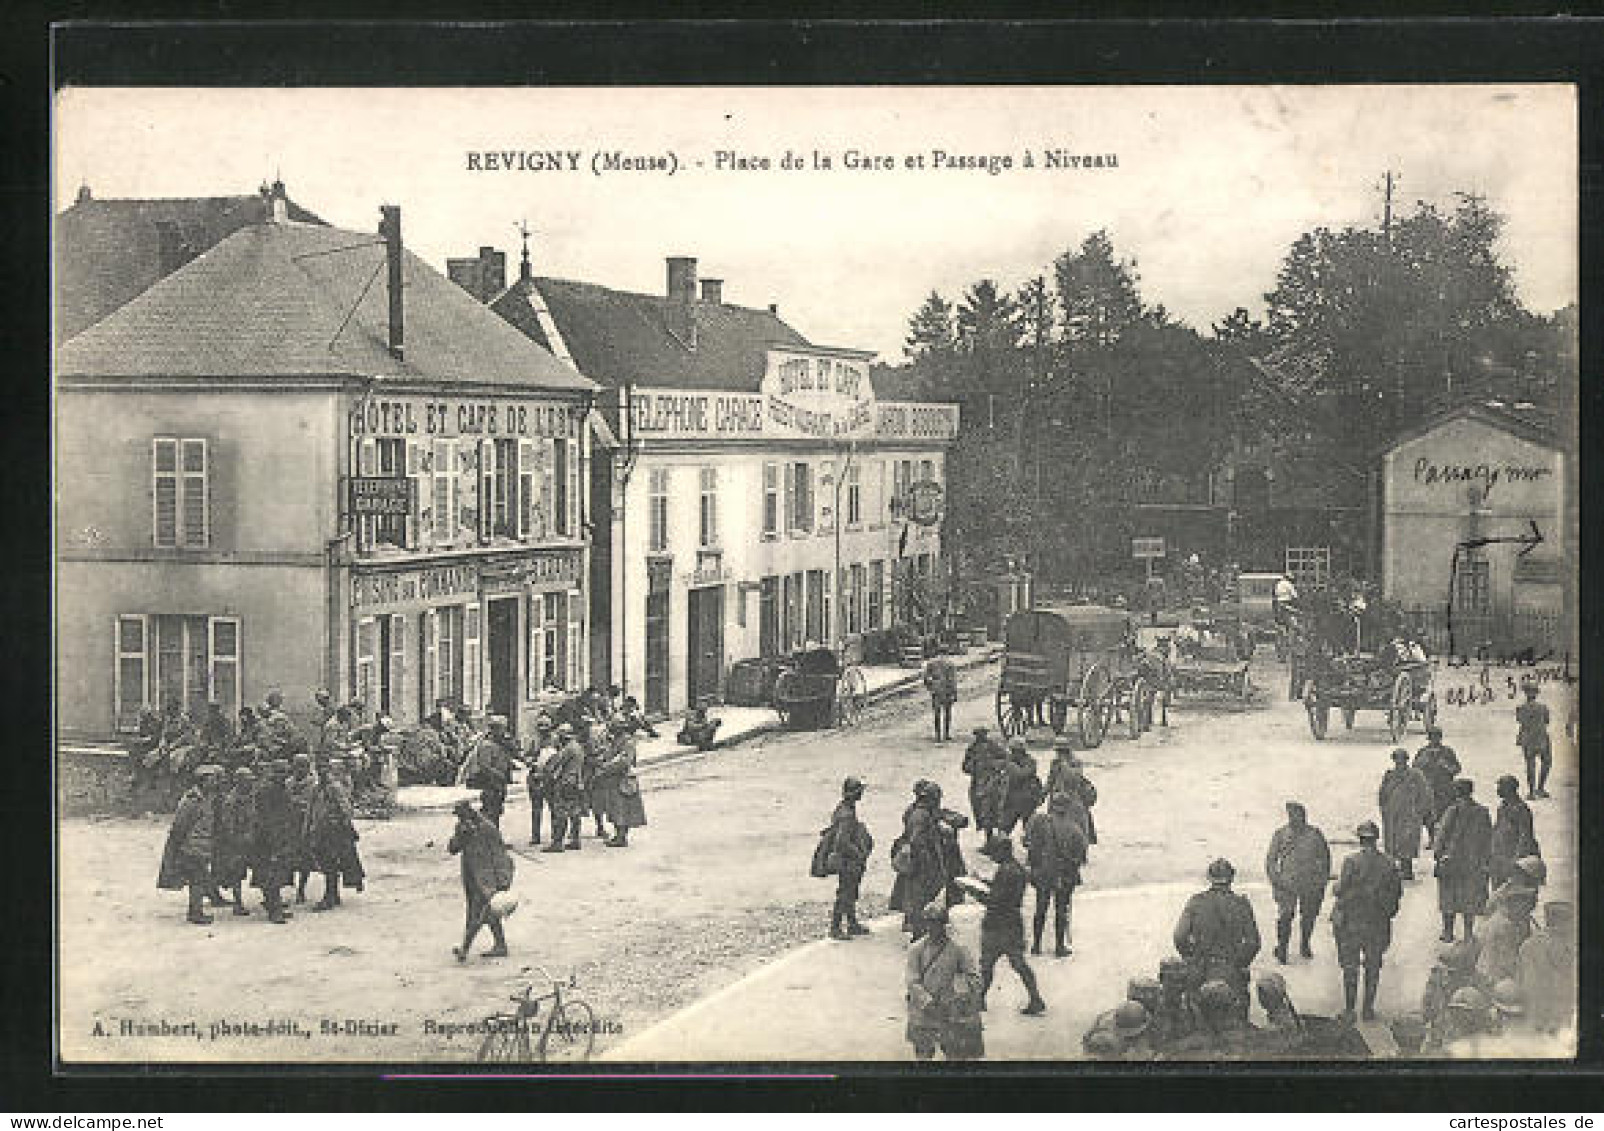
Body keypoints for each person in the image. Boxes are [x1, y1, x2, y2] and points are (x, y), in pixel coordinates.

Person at [1330, 820, 1403, 1023]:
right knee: (1373, 966)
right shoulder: (1389, 863)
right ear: (1376, 839)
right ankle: (1368, 1009)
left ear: (1360, 839)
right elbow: (1397, 893)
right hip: (1377, 923)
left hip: (1352, 923)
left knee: (1350, 967)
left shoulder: (1351, 862)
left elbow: (1341, 889)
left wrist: (1335, 888)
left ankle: (1350, 1010)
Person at [1173, 858, 1261, 1019]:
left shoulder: (1196, 901)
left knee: (1196, 1016)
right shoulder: (1241, 904)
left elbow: (1179, 937)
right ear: (1232, 878)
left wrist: (1191, 957)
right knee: (1235, 1018)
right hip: (1230, 970)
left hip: (1200, 969)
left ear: (1209, 877)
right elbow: (1253, 942)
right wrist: (1239, 963)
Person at [974, 835, 1047, 1016]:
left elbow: (995, 900)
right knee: (1018, 964)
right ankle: (1035, 997)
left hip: (997, 924)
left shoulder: (1006, 871)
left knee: (987, 965)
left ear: (1003, 851)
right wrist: (985, 883)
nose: (992, 857)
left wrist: (976, 892)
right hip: (1012, 923)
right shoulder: (1015, 869)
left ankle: (979, 999)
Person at [889, 781, 969, 940]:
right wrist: (927, 860)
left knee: (919, 895)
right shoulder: (921, 815)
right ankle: (918, 932)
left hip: (923, 863)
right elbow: (917, 840)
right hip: (921, 865)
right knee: (919, 898)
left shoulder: (925, 812)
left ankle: (918, 926)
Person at [904, 901, 984, 1061]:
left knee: (956, 1054)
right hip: (924, 1012)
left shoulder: (958, 949)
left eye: (936, 923)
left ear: (944, 924)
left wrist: (960, 996)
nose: (932, 928)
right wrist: (927, 1001)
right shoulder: (916, 949)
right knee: (923, 1055)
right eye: (929, 923)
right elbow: (912, 981)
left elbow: (975, 978)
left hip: (951, 1012)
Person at [449, 799, 516, 963]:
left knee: (478, 914)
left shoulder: (488, 828)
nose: (460, 820)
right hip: (471, 876)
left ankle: (464, 949)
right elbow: (452, 849)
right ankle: (500, 945)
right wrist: (461, 836)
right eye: (459, 817)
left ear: (470, 812)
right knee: (486, 912)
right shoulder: (462, 828)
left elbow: (500, 856)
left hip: (488, 879)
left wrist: (502, 881)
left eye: (463, 816)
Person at [157, 764, 226, 925]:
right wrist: (177, 848)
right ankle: (195, 913)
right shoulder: (192, 801)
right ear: (202, 781)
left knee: (199, 879)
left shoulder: (208, 799)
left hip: (202, 847)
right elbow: (179, 827)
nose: (214, 782)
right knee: (197, 880)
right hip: (191, 848)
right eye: (211, 780)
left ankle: (198, 910)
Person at [1022, 791, 1089, 957]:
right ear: (1067, 808)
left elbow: (1027, 843)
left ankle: (1036, 946)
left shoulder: (1039, 822)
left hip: (1043, 874)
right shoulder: (1075, 829)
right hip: (1064, 876)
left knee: (1040, 909)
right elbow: (1081, 856)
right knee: (1061, 910)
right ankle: (1059, 947)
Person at [1265, 801, 1332, 964]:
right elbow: (1271, 860)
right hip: (1286, 884)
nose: (1295, 819)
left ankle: (1305, 943)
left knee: (1308, 916)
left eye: (1298, 815)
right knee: (1285, 916)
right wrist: (1276, 880)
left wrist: (1321, 880)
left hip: (1310, 883)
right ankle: (1282, 948)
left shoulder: (1315, 834)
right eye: (1292, 815)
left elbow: (1325, 858)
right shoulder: (1280, 834)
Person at [1434, 778, 1493, 942]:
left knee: (1448, 897)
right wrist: (1485, 860)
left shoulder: (1452, 810)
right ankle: (1468, 933)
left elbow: (1442, 835)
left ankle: (1448, 932)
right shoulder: (1482, 811)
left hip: (1452, 861)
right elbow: (1488, 837)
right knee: (1469, 898)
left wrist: (1438, 855)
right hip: (1473, 862)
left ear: (1456, 792)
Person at [305, 758, 361, 911]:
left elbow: (346, 809)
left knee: (330, 864)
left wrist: (339, 823)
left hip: (333, 832)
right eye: (318, 768)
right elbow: (310, 811)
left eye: (324, 769)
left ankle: (329, 897)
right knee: (325, 863)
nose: (321, 772)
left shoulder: (335, 788)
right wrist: (306, 829)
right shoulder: (315, 789)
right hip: (319, 831)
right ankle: (333, 894)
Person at [824, 776, 874, 940]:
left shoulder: (845, 808)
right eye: (859, 791)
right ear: (853, 793)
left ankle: (852, 924)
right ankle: (836, 928)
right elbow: (842, 842)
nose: (862, 794)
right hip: (848, 861)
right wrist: (858, 853)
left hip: (847, 860)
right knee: (846, 893)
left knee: (850, 891)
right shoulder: (847, 814)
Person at [250, 760, 298, 924]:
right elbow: (265, 817)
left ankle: (274, 905)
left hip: (279, 836)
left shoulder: (280, 789)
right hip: (267, 838)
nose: (285, 776)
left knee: (277, 874)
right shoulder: (266, 790)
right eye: (281, 772)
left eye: (285, 772)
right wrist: (273, 838)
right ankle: (274, 910)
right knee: (270, 875)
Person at [1518, 901, 1575, 1035]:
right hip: (1555, 1006)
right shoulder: (1561, 945)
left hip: (1530, 1003)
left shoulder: (1527, 944)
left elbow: (1520, 975)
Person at [1379, 747, 1432, 879]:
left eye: (1402, 760)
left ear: (1406, 761)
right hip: (1392, 816)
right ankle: (1393, 870)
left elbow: (1425, 794)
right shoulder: (1390, 775)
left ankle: (1407, 870)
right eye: (1397, 760)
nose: (1399, 763)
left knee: (1407, 843)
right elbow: (1383, 794)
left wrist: (1419, 812)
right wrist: (1385, 810)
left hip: (1409, 815)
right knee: (1392, 842)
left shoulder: (1416, 775)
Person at [212, 766, 258, 917]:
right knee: (236, 873)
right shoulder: (231, 800)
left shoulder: (250, 796)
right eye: (247, 781)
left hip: (251, 838)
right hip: (237, 842)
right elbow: (228, 824)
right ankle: (237, 903)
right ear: (239, 782)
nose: (250, 783)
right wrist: (236, 839)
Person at [595, 718, 647, 847]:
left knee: (622, 809)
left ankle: (621, 837)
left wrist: (605, 768)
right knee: (615, 809)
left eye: (613, 727)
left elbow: (624, 762)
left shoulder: (628, 742)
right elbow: (609, 755)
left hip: (623, 780)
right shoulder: (615, 740)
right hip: (613, 779)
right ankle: (619, 835)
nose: (611, 729)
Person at [542, 723, 588, 853]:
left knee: (560, 812)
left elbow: (555, 763)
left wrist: (545, 771)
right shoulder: (578, 747)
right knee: (574, 812)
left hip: (566, 782)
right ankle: (575, 839)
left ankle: (557, 843)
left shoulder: (567, 749)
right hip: (576, 782)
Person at [1043, 738, 1098, 846]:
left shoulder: (1075, 762)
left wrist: (1064, 765)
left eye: (1060, 752)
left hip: (1073, 796)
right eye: (1057, 752)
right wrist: (1043, 793)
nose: (1058, 754)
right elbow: (1051, 779)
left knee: (1077, 822)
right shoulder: (1055, 763)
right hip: (1057, 796)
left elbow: (1074, 778)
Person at [1413, 727, 1461, 847]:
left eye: (1436, 738)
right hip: (1428, 789)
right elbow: (1415, 769)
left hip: (1444, 789)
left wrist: (1445, 765)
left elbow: (1457, 769)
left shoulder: (1448, 752)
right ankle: (1432, 838)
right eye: (1432, 738)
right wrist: (1424, 762)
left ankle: (1443, 838)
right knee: (1428, 816)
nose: (1434, 741)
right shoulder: (1423, 752)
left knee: (1444, 813)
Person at [1489, 774, 1541, 887]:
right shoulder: (1502, 807)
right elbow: (1497, 829)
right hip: (1499, 857)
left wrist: (1516, 858)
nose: (1498, 790)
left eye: (1500, 787)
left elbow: (1525, 836)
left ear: (1509, 789)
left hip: (1513, 857)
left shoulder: (1521, 809)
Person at [961, 727, 1005, 836]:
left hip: (992, 781)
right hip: (978, 783)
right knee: (979, 808)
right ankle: (988, 836)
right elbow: (965, 767)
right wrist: (973, 766)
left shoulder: (993, 746)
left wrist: (995, 765)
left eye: (982, 735)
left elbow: (1005, 758)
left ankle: (996, 836)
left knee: (993, 808)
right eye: (978, 736)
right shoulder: (972, 749)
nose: (981, 738)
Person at [997, 738, 1044, 836]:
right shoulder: (1010, 760)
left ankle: (1032, 847)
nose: (1012, 753)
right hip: (1011, 799)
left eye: (1014, 751)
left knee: (1029, 827)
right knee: (1004, 826)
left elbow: (1021, 775)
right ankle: (1001, 846)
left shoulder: (1030, 762)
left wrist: (1010, 765)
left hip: (1026, 799)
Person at [523, 713, 557, 846]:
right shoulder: (533, 741)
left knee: (553, 807)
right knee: (536, 809)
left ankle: (556, 834)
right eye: (540, 726)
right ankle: (535, 835)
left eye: (546, 726)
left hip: (550, 778)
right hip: (535, 776)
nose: (543, 729)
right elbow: (526, 757)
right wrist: (531, 761)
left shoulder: (556, 739)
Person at [1515, 682, 1552, 800]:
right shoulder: (1543, 707)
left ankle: (1531, 792)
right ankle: (1540, 788)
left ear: (1526, 694)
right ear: (1536, 694)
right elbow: (1547, 721)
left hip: (1528, 738)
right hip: (1541, 737)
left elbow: (1520, 721)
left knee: (1530, 765)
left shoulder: (1521, 708)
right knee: (1546, 762)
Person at [921, 653, 958, 742]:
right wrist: (954, 693)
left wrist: (930, 688)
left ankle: (938, 736)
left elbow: (926, 678)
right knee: (947, 713)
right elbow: (953, 680)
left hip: (936, 691)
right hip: (947, 691)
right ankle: (946, 734)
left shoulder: (931, 663)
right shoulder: (950, 664)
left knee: (937, 713)